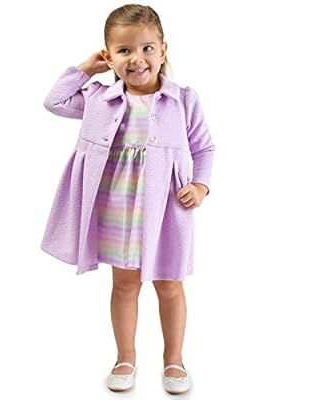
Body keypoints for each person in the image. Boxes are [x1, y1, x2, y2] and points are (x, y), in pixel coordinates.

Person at [40, 3, 215, 394]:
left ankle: (174, 360)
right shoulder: (99, 99)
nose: (137, 59)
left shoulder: (183, 100)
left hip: (167, 210)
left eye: (147, 48)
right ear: (109, 56)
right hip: (117, 209)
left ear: (163, 50)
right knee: (124, 285)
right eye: (124, 50)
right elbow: (54, 101)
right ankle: (125, 357)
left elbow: (204, 148)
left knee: (170, 285)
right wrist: (86, 69)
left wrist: (201, 186)